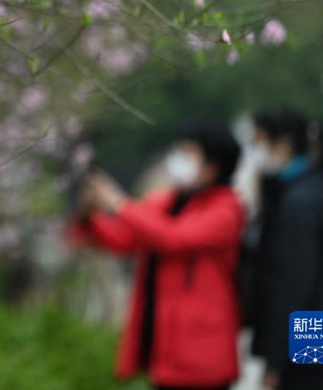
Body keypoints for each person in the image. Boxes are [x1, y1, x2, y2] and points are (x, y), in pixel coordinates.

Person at [68, 119, 245, 390]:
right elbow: (123, 237)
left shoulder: (226, 208)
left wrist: (118, 203)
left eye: (189, 154)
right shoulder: (168, 201)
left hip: (203, 353)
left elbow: (174, 237)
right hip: (166, 349)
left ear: (213, 165)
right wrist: (89, 216)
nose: (179, 160)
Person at [247, 107, 323, 390]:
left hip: (306, 335)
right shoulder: (307, 191)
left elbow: (293, 286)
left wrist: (276, 361)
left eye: (260, 142)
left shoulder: (298, 203)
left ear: (283, 145)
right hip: (316, 329)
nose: (256, 152)